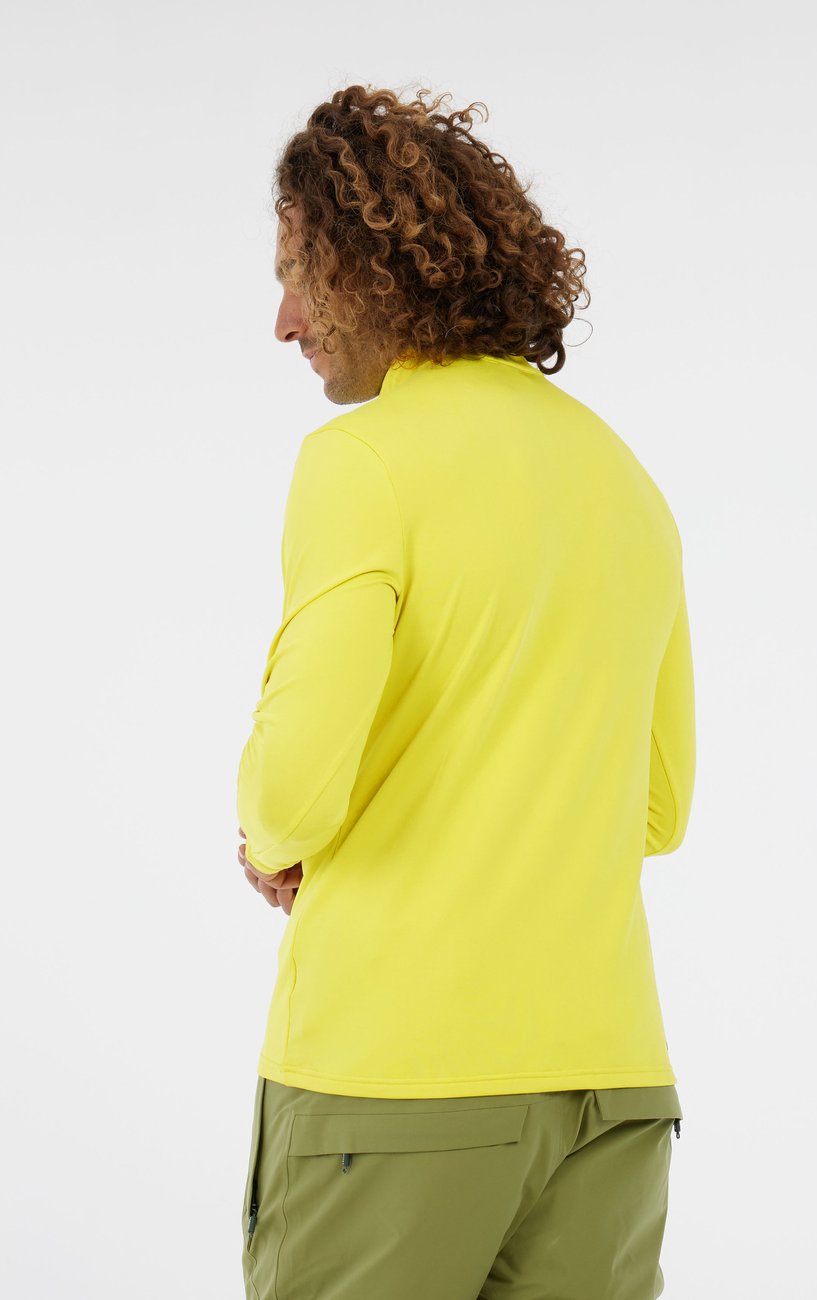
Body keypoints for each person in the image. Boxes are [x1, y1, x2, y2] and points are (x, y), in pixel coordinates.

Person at [235, 82, 696, 1300]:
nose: (284, 321)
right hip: (611, 1087)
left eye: (299, 276)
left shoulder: (361, 462)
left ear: (373, 269)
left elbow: (292, 789)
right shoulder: (623, 480)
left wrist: (273, 843)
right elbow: (658, 807)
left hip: (391, 1085)